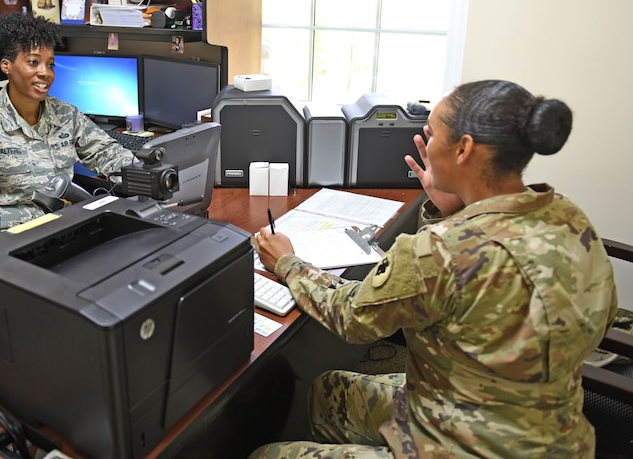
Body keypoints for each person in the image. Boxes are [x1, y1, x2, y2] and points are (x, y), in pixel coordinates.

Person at [250, 80, 618, 458]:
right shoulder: (569, 217)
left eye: (432, 133)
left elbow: (351, 317)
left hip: (461, 446)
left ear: (463, 149)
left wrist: (287, 263)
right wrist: (454, 212)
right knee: (329, 392)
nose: (424, 141)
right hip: (556, 436)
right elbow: (601, 321)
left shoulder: (442, 249)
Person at [0, 12, 137, 245]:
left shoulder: (66, 114)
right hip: (12, 240)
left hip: (67, 229)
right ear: (6, 66)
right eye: (33, 62)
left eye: (50, 64)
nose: (45, 73)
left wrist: (146, 174)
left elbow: (107, 153)